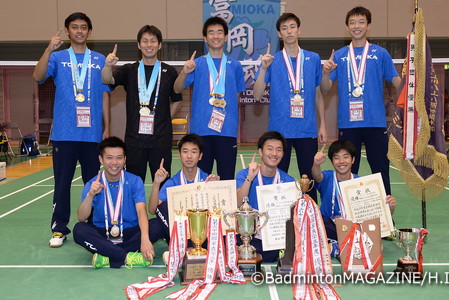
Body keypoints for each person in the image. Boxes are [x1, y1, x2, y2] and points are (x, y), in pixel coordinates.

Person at [32, 12, 111, 247]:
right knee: (62, 182)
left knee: (93, 182)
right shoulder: (57, 57)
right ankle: (59, 228)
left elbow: (105, 94)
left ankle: (95, 225)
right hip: (64, 134)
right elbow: (38, 75)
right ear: (68, 31)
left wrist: (107, 128)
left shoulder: (99, 59)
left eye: (84, 27)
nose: (79, 30)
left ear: (89, 31)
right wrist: (48, 48)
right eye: (75, 27)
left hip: (92, 134)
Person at [320, 6, 401, 196]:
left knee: (381, 171)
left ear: (368, 26)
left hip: (375, 122)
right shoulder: (339, 55)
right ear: (347, 27)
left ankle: (386, 218)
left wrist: (413, 92)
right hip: (348, 123)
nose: (357, 26)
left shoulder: (380, 53)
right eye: (352, 22)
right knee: (346, 172)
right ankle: (347, 216)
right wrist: (325, 73)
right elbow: (324, 88)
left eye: (361, 22)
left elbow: (396, 81)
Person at [253, 13, 326, 202]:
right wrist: (263, 68)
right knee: (277, 181)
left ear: (299, 30)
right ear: (279, 34)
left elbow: (318, 93)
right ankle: (278, 225)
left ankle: (311, 224)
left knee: (308, 182)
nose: (289, 31)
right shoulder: (272, 60)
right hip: (280, 132)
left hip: (307, 129)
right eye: (284, 28)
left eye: (292, 27)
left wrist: (323, 124)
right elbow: (257, 94)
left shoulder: (313, 58)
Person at [102, 25, 182, 182]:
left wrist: (164, 119)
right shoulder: (129, 70)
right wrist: (107, 66)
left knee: (162, 183)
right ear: (139, 45)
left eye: (153, 41)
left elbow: (177, 101)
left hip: (161, 140)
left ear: (159, 45)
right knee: (133, 183)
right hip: (134, 140)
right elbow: (107, 80)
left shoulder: (169, 71)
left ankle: (160, 208)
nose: (149, 44)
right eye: (145, 41)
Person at [73, 137, 162, 269]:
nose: (114, 162)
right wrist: (90, 195)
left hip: (129, 232)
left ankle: (106, 254)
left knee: (158, 225)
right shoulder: (93, 184)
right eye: (109, 157)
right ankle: (126, 257)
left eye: (119, 158)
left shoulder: (134, 181)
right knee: (79, 230)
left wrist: (144, 238)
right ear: (101, 159)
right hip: (103, 232)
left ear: (125, 159)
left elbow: (141, 211)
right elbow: (81, 217)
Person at [173, 17, 245, 180]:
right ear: (205, 38)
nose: (215, 36)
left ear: (226, 37)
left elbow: (237, 96)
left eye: (219, 32)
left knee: (226, 180)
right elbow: (177, 88)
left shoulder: (235, 65)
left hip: (226, 131)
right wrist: (184, 71)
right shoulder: (196, 64)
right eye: (211, 32)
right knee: (200, 181)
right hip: (201, 131)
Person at [311, 140, 396, 253]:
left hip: (352, 227)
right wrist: (316, 164)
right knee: (317, 225)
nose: (341, 161)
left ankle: (336, 248)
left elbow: (374, 214)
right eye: (336, 158)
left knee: (368, 232)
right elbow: (317, 176)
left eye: (345, 157)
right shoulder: (328, 177)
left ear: (353, 160)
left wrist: (390, 208)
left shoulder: (361, 183)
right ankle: (348, 247)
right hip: (330, 225)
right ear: (332, 161)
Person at [236, 131, 295, 262]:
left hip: (275, 234)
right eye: (270, 149)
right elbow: (239, 204)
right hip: (251, 234)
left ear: (283, 154)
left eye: (278, 150)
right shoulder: (244, 174)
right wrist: (249, 179)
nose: (274, 154)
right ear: (261, 152)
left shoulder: (288, 181)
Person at [149, 134, 219, 241]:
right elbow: (153, 210)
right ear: (180, 155)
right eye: (185, 151)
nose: (189, 156)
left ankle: (186, 247)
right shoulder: (172, 182)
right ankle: (183, 244)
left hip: (202, 231)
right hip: (178, 230)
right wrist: (156, 184)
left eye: (194, 152)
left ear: (200, 156)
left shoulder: (208, 180)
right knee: (154, 223)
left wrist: (214, 189)